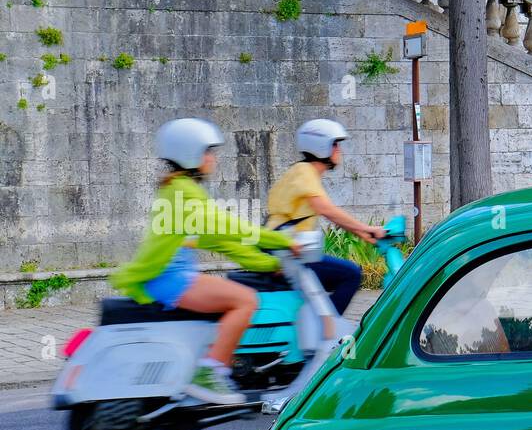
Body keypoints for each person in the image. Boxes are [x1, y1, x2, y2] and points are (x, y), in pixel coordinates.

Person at [111, 118, 299, 405]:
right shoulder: (183, 191)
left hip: (172, 275)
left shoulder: (179, 189)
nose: (213, 158)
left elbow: (216, 241)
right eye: (208, 151)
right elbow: (223, 226)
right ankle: (210, 372)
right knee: (246, 300)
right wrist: (281, 241)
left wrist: (267, 263)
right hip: (170, 278)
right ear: (190, 152)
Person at [265, 119, 386, 317]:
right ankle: (325, 331)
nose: (340, 150)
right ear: (322, 146)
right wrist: (366, 229)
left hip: (287, 250)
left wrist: (364, 234)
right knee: (351, 273)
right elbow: (327, 210)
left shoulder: (300, 171)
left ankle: (318, 324)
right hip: (289, 253)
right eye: (335, 144)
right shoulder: (305, 172)